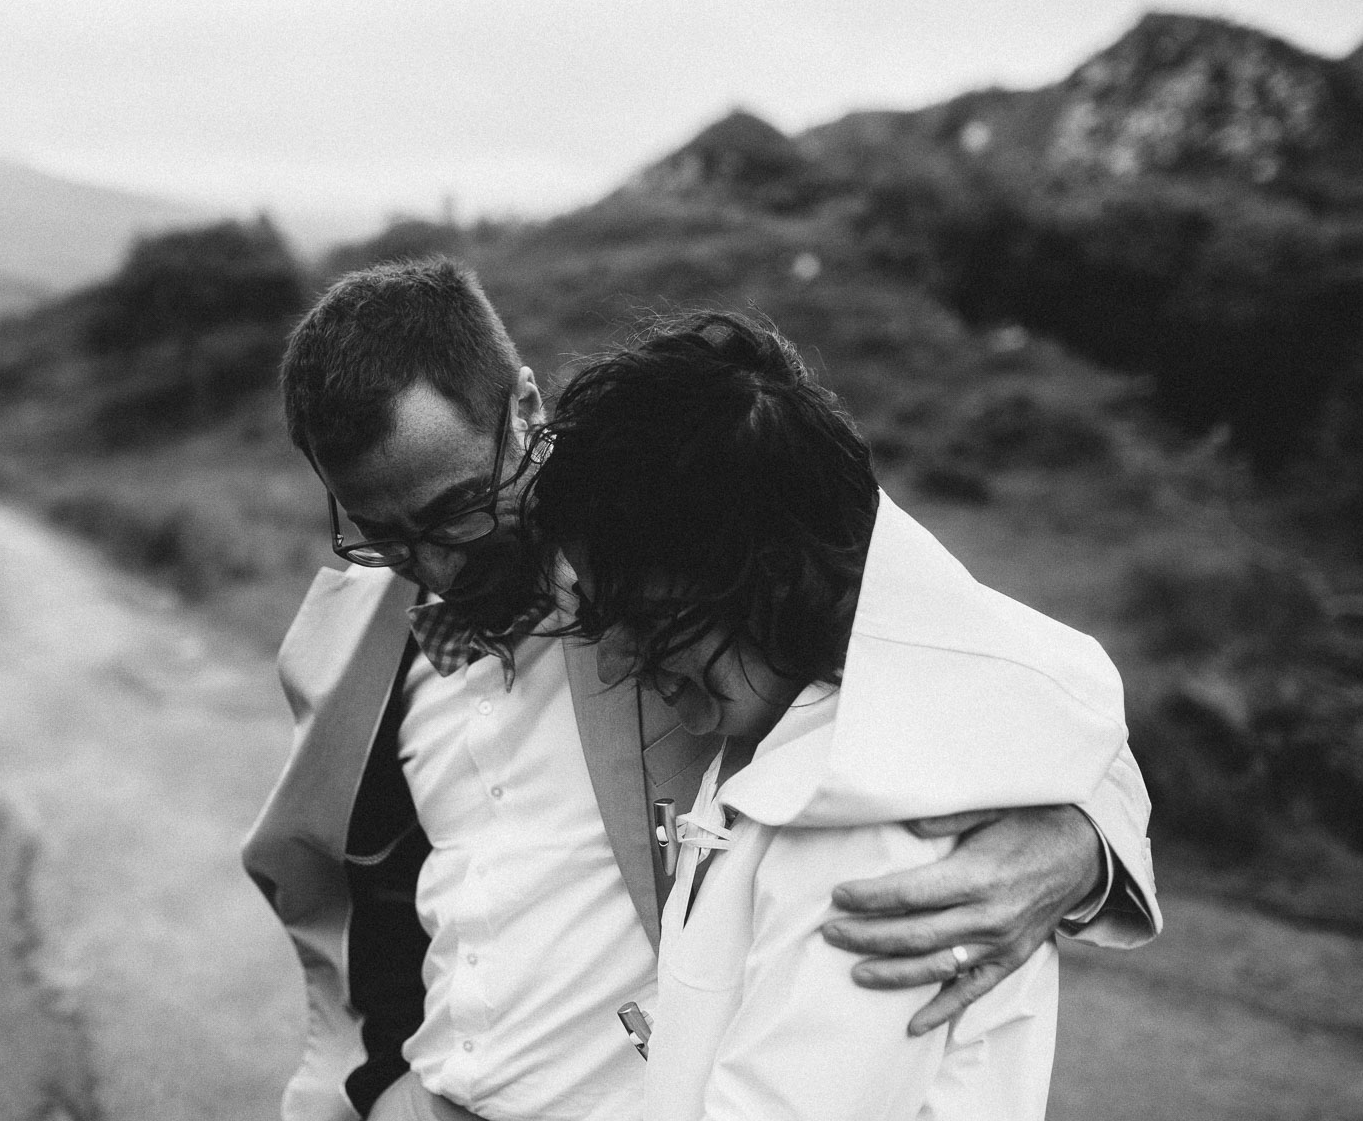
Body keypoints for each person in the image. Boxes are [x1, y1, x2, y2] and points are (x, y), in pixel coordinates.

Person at [241, 260, 1158, 1121]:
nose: (432, 566)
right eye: (381, 534)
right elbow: (354, 892)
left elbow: (1012, 672)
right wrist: (379, 1093)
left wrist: (1078, 841)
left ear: (523, 408)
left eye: (453, 511)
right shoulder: (350, 641)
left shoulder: (691, 547)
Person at [525, 310, 1131, 1120]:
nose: (612, 664)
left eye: (646, 618)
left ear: (774, 578)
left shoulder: (869, 831)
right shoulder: (794, 720)